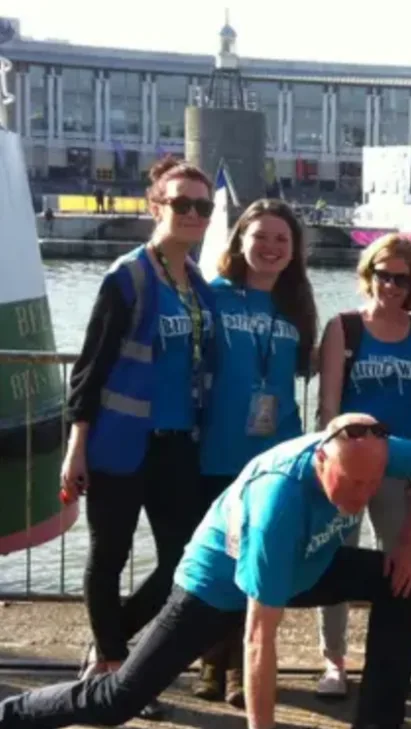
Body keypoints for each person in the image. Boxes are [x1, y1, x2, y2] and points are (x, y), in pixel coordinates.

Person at [0, 415, 411, 729]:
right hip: (215, 588)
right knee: (118, 699)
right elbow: (259, 640)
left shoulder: (374, 451)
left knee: (403, 579)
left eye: (373, 482)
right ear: (320, 462)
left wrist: (408, 541)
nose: (362, 495)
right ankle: (12, 714)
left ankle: (378, 722)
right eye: (351, 483)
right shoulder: (278, 502)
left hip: (307, 567)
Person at [60, 157, 219, 717]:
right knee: (110, 554)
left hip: (177, 443)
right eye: (182, 203)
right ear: (157, 206)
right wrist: (76, 445)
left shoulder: (197, 284)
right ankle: (110, 668)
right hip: (121, 441)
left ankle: (114, 641)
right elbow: (91, 366)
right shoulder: (128, 276)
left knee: (183, 559)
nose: (194, 213)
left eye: (203, 206)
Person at [191, 199, 318, 707]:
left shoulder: (297, 308)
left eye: (281, 240)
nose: (270, 247)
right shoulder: (212, 297)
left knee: (260, 562)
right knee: (219, 561)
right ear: (240, 240)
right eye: (260, 236)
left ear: (293, 252)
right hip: (218, 448)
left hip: (276, 457)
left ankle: (246, 670)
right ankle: (210, 662)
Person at [314, 233, 411, 698]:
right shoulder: (344, 328)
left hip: (400, 462)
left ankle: (395, 659)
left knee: (403, 561)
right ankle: (334, 663)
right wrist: (334, 464)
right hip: (349, 464)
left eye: (401, 279)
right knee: (335, 561)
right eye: (383, 275)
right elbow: (328, 405)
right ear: (369, 275)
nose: (391, 286)